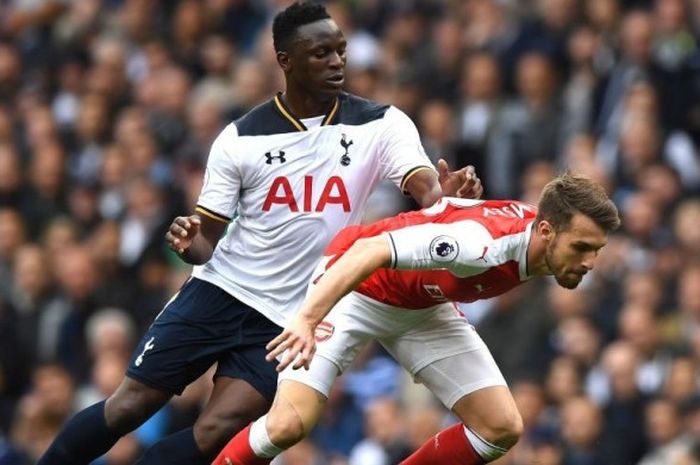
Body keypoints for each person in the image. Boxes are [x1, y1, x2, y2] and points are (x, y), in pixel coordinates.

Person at [37, 3, 482, 465]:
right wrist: (192, 245)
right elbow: (207, 237)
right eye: (320, 53)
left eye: (341, 51)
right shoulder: (240, 139)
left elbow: (426, 186)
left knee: (217, 431)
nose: (336, 62)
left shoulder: (381, 124)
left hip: (289, 318)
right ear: (285, 61)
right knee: (132, 404)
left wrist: (444, 197)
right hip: (221, 290)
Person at [213, 172, 621, 465]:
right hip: (356, 287)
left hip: (424, 305)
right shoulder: (479, 246)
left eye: (596, 250)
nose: (590, 262)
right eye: (582, 247)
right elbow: (368, 251)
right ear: (547, 230)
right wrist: (306, 319)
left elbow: (466, 216)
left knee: (500, 428)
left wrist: (448, 203)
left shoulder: (538, 231)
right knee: (288, 425)